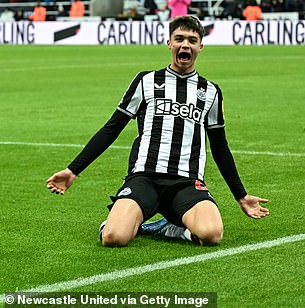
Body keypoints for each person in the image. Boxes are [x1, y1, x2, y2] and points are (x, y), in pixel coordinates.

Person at [46, 15, 269, 247]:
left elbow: (220, 148)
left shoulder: (211, 91)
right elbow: (112, 128)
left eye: (192, 40)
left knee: (212, 235)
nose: (185, 45)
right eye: (179, 39)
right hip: (145, 178)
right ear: (169, 43)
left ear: (200, 47)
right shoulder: (146, 81)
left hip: (186, 181)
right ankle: (113, 223)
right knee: (114, 238)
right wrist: (73, 170)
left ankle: (171, 228)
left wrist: (240, 195)